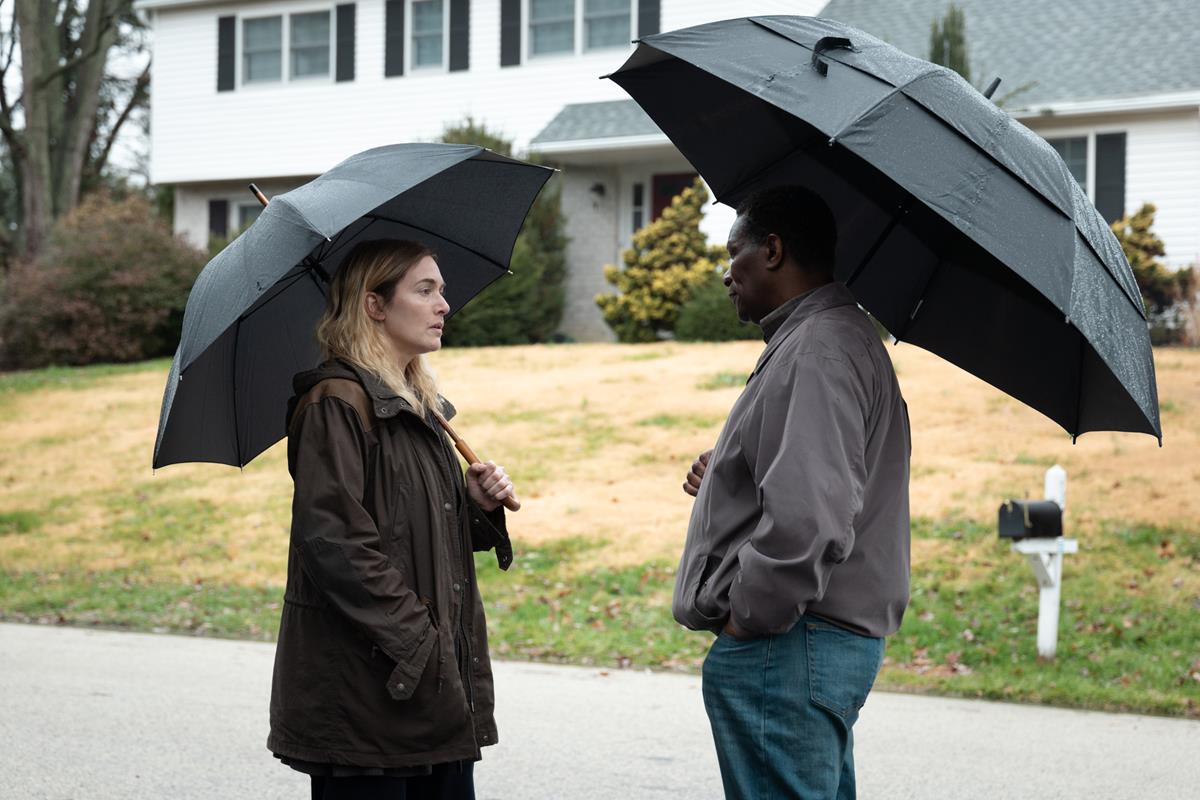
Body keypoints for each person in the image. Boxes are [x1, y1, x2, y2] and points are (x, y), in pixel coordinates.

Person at [675, 186, 911, 800]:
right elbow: (825, 475)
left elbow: (809, 518)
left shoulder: (816, 348)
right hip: (812, 644)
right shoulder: (835, 338)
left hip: (789, 643)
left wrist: (748, 622)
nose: (727, 273)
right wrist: (728, 474)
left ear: (773, 251)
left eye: (735, 253)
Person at [267, 238, 515, 800]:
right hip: (369, 692)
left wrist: (477, 506)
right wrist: (419, 643)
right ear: (374, 306)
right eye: (424, 290)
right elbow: (334, 543)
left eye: (442, 291)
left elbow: (418, 534)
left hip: (429, 688)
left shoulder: (416, 407)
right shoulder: (337, 402)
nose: (443, 305)